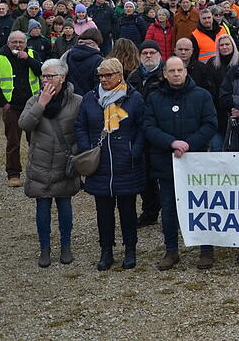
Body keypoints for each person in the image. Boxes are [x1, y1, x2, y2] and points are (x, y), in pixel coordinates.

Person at [142, 56, 218, 270]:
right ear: (165, 74)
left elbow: (211, 123)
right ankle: (171, 250)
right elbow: (148, 127)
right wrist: (171, 143)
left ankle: (206, 250)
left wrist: (188, 143)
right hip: (167, 161)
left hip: (196, 162)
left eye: (180, 70)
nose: (176, 74)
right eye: (172, 71)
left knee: (202, 205)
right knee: (168, 207)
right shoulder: (155, 98)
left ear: (186, 71)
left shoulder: (202, 96)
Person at [75, 58, 146, 271]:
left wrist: (135, 150)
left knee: (128, 210)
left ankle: (130, 248)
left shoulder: (134, 99)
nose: (103, 79)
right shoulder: (90, 98)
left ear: (119, 75)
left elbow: (143, 127)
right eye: (101, 76)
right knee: (103, 211)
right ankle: (106, 249)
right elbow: (80, 125)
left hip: (127, 162)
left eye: (108, 75)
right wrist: (87, 148)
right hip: (101, 163)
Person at [18, 58, 82, 267]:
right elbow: (25, 124)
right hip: (41, 163)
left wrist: (76, 153)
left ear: (62, 78)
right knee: (42, 207)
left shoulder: (77, 101)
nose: (45, 80)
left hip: (65, 163)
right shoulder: (34, 100)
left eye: (50, 76)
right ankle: (44, 248)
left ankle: (66, 246)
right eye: (43, 76)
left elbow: (83, 130)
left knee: (64, 206)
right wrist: (41, 104)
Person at [0, 31, 43, 186]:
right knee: (13, 142)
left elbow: (42, 72)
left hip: (32, 105)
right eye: (14, 42)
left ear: (25, 43)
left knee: (36, 141)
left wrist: (28, 59)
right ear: (8, 43)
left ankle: (37, 172)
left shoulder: (32, 54)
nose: (18, 45)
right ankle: (13, 174)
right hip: (12, 106)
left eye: (21, 42)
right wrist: (3, 103)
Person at [127, 40, 165, 227]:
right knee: (145, 175)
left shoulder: (165, 75)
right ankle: (150, 211)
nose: (148, 56)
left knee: (165, 175)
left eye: (152, 52)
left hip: (161, 130)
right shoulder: (133, 76)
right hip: (139, 131)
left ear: (159, 54)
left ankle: (170, 211)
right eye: (145, 53)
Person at [65, 28, 104, 96]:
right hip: (89, 99)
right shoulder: (98, 59)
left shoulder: (68, 54)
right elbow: (98, 85)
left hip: (70, 97)